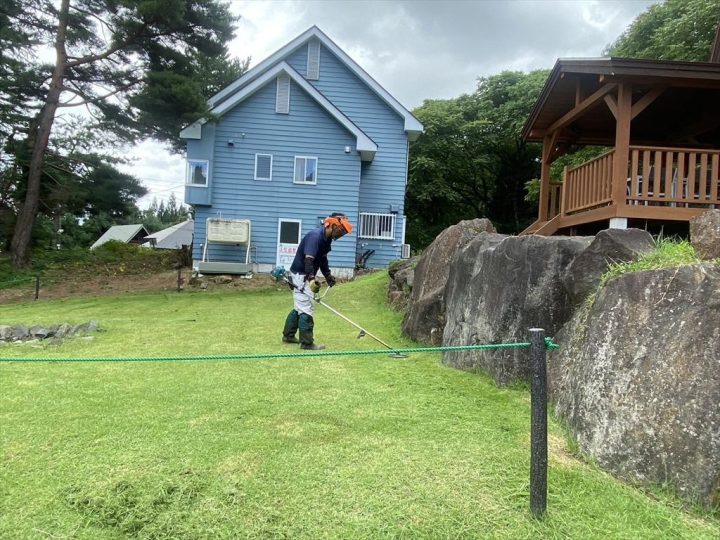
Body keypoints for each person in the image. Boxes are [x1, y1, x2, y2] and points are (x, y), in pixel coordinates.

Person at [282, 213, 353, 350]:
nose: (341, 234)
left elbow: (322, 259)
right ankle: (307, 343)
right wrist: (311, 279)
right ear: (332, 225)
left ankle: (288, 336)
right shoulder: (315, 237)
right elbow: (308, 260)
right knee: (306, 308)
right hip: (301, 275)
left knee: (299, 308)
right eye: (340, 230)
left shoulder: (327, 240)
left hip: (304, 274)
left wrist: (328, 275)